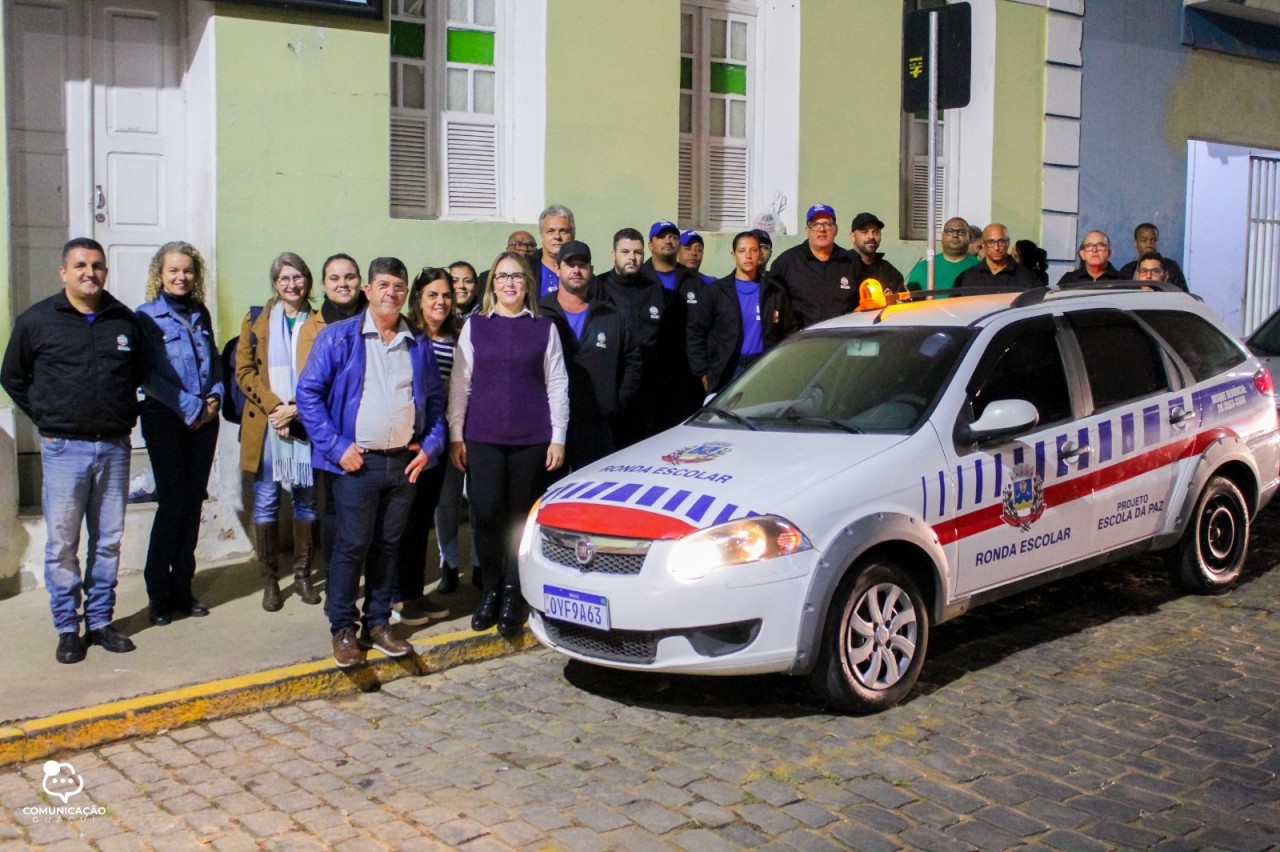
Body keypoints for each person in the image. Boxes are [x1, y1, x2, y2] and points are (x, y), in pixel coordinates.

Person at [296, 257, 447, 667]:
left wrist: (430, 447)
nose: (391, 293)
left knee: (389, 547)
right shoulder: (339, 338)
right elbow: (308, 394)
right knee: (350, 547)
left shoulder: (417, 343)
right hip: (355, 464)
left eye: (398, 286)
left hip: (401, 464)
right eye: (383, 285)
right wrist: (336, 446)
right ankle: (343, 629)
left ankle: (378, 623)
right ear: (368, 290)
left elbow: (435, 404)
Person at [1, 238, 145, 663]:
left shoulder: (123, 321)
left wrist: (125, 413)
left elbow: (139, 372)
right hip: (65, 450)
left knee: (108, 541)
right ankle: (68, 627)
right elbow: (12, 376)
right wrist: (47, 416)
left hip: (115, 448)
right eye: (80, 265)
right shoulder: (38, 321)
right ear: (63, 272)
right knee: (63, 542)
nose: (90, 273)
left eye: (98, 266)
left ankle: (100, 621)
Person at [448, 252, 568, 637]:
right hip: (482, 438)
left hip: (532, 440)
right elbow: (460, 385)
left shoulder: (544, 328)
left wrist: (558, 437)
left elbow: (557, 385)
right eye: (502, 276)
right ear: (493, 284)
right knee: (485, 515)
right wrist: (455, 434)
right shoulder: (476, 327)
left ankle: (515, 591)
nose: (510, 283)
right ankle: (491, 589)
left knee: (520, 520)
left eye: (517, 276)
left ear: (527, 284)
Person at [134, 242, 221, 627]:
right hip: (166, 418)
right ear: (160, 274)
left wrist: (215, 397)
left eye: (187, 271)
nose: (181, 277)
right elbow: (146, 374)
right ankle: (158, 594)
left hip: (205, 420)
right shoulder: (145, 317)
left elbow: (213, 361)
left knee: (193, 504)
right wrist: (189, 407)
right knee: (172, 506)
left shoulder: (200, 312)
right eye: (173, 271)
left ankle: (183, 589)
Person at [235, 253, 320, 612]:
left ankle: (301, 575)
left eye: (298, 277)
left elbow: (325, 371)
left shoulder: (319, 322)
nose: (291, 284)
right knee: (267, 499)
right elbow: (243, 370)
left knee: (306, 499)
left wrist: (296, 408)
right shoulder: (257, 320)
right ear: (274, 283)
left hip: (304, 420)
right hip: (267, 422)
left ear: (308, 281)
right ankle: (270, 581)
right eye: (284, 278)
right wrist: (274, 406)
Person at [538, 240, 641, 469]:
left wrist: (616, 401)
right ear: (558, 269)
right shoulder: (540, 314)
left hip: (597, 424)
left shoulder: (611, 315)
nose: (576, 270)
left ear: (591, 270)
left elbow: (632, 362)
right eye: (570, 264)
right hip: (549, 423)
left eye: (582, 265)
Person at [392, 267, 458, 624]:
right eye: (433, 294)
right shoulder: (408, 336)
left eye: (446, 295)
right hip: (406, 442)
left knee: (420, 523)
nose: (441, 301)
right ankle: (395, 597)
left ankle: (414, 595)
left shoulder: (456, 337)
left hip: (439, 440)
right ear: (419, 298)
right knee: (399, 523)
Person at [306, 253, 367, 586]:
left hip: (372, 435)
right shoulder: (314, 326)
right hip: (331, 434)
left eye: (350, 277)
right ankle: (334, 578)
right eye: (334, 278)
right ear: (324, 284)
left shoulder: (376, 318)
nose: (343, 284)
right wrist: (331, 439)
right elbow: (308, 386)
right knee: (332, 509)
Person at [688, 231, 798, 394]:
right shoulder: (716, 291)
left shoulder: (774, 292)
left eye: (753, 250)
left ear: (759, 254)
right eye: (742, 251)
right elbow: (695, 333)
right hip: (728, 369)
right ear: (733, 255)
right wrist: (703, 372)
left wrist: (782, 366)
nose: (748, 255)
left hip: (764, 367)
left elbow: (790, 332)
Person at [597, 227, 668, 446]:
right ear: (613, 255)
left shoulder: (655, 290)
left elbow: (663, 338)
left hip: (646, 390)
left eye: (637, 253)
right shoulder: (599, 288)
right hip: (611, 385)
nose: (632, 258)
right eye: (625, 252)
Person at [642, 219, 705, 429]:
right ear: (650, 245)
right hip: (648, 375)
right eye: (662, 236)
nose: (668, 240)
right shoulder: (639, 279)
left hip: (686, 376)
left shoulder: (694, 280)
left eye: (673, 236)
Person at [767, 203, 863, 328]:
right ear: (807, 230)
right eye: (815, 224)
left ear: (836, 230)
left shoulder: (851, 261)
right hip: (802, 342)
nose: (821, 229)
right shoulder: (787, 262)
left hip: (842, 341)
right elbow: (773, 306)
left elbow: (863, 303)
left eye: (827, 224)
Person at [954, 224, 1042, 289]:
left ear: (1008, 243)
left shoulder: (1028, 279)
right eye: (991, 242)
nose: (996, 248)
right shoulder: (966, 278)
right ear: (983, 244)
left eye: (1001, 242)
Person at [906, 216, 980, 291]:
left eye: (961, 232)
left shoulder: (980, 268)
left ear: (969, 237)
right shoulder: (924, 267)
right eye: (950, 231)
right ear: (942, 235)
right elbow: (909, 299)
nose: (955, 235)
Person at [1118, 223, 1188, 291]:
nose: (1149, 244)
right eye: (1144, 241)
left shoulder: (1172, 267)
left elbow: (1183, 297)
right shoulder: (1126, 271)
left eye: (1153, 240)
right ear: (1135, 243)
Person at [848, 212, 905, 293]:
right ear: (852, 237)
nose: (871, 236)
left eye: (876, 232)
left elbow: (904, 302)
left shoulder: (889, 272)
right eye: (864, 232)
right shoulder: (843, 267)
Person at [535, 204, 575, 297]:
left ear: (573, 235)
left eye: (563, 231)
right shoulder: (527, 273)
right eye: (550, 231)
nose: (557, 236)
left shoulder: (582, 275)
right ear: (542, 235)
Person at [1056, 230, 1122, 286]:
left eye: (1100, 245)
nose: (1094, 250)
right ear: (1082, 254)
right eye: (1089, 246)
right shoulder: (1068, 280)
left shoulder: (1122, 280)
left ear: (1109, 253)